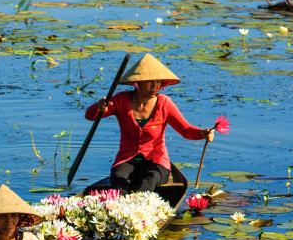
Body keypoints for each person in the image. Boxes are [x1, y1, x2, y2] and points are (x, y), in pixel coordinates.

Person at [84, 53, 217, 193]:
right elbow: (90, 116)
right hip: (127, 159)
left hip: (157, 161)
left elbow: (185, 130)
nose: (155, 86)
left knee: (147, 182)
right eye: (150, 81)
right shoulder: (120, 100)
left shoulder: (165, 103)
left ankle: (140, 210)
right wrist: (98, 107)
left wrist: (202, 133)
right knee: (118, 182)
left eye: (158, 81)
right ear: (138, 83)